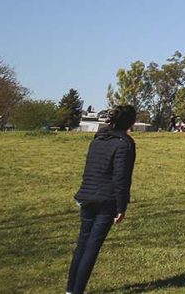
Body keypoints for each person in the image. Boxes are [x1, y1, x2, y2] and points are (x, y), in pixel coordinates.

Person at [67, 104, 137, 294]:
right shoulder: (125, 144)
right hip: (106, 200)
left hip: (86, 195)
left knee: (82, 245)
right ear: (129, 122)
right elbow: (121, 178)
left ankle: (70, 290)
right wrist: (122, 206)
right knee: (92, 247)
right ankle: (77, 291)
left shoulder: (97, 139)